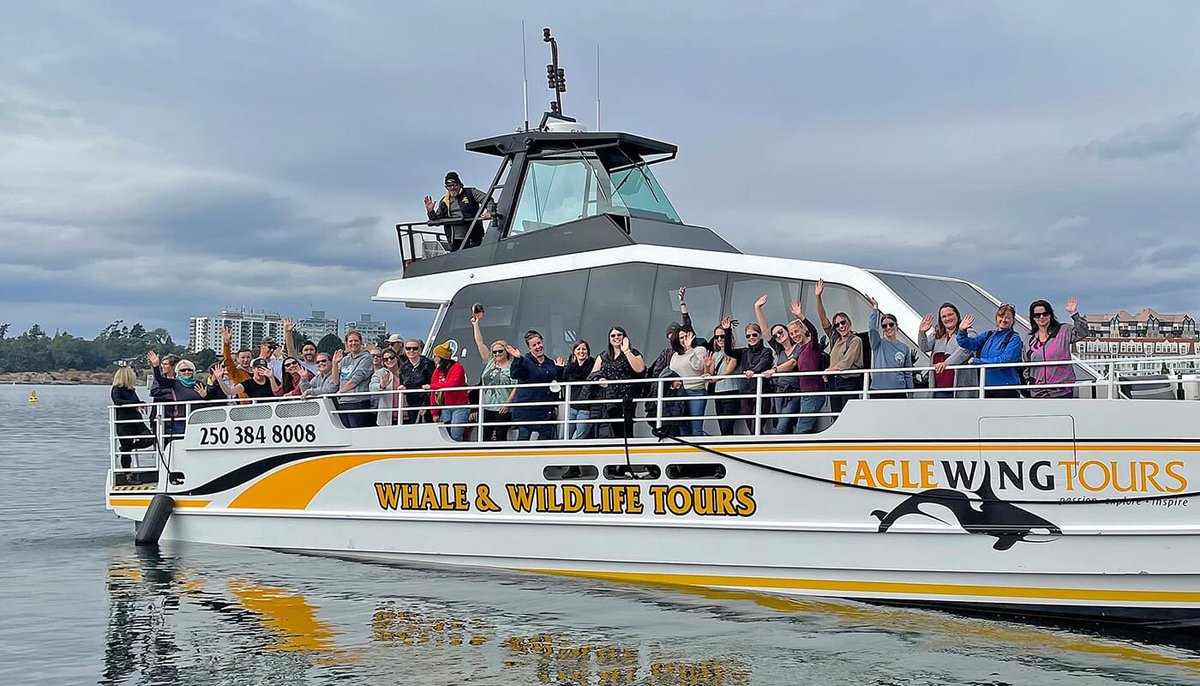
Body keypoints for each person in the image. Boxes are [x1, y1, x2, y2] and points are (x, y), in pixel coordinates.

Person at [815, 278, 865, 413]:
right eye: (837, 325)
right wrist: (818, 297)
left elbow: (846, 363)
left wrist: (828, 371)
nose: (840, 326)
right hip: (834, 382)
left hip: (848, 382)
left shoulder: (855, 340)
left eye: (843, 322)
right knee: (836, 414)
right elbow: (822, 318)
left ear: (848, 322)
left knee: (849, 416)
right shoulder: (835, 338)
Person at [957, 304, 1025, 397]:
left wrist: (978, 361)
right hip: (986, 387)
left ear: (1013, 320)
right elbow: (967, 344)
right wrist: (962, 331)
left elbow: (1005, 360)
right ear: (996, 317)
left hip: (1006, 388)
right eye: (1001, 316)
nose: (1004, 320)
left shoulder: (1014, 338)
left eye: (1008, 317)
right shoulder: (988, 335)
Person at [755, 295, 801, 433]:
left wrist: (774, 370)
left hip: (793, 392)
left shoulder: (799, 347)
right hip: (779, 392)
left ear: (787, 331)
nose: (778, 335)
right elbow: (764, 331)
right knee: (783, 427)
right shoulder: (779, 349)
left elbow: (793, 363)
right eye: (776, 335)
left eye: (780, 332)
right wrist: (757, 308)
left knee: (782, 426)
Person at [1027, 298, 1089, 398]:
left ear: (1050, 315)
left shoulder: (1063, 330)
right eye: (1037, 315)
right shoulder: (1029, 339)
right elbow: (1026, 363)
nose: (1041, 317)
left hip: (1062, 391)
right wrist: (1029, 381)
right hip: (1038, 393)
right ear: (1033, 318)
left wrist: (1074, 314)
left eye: (1045, 314)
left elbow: (1083, 332)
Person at [591, 326, 647, 438]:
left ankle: (628, 453)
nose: (616, 337)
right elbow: (592, 374)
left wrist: (626, 351)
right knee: (611, 428)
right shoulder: (603, 356)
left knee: (626, 429)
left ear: (624, 337)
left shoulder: (633, 352)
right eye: (613, 335)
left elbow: (640, 368)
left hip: (626, 397)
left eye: (619, 335)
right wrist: (599, 379)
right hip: (609, 398)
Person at [506, 330, 561, 440]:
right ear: (529, 348)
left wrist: (560, 369)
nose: (538, 347)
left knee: (545, 443)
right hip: (526, 411)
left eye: (539, 343)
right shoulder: (524, 361)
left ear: (543, 342)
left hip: (545, 412)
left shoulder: (550, 363)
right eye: (534, 345)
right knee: (523, 442)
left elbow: (554, 383)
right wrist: (517, 359)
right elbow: (515, 374)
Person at [470, 312, 516, 441]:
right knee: (484, 436)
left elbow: (516, 386)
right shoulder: (490, 362)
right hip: (487, 406)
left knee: (501, 436)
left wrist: (508, 403)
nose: (497, 354)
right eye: (494, 352)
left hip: (503, 406)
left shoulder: (512, 365)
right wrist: (476, 325)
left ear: (506, 351)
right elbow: (480, 343)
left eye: (500, 351)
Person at [424, 171, 495, 251]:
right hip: (455, 241)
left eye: (454, 185)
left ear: (460, 184)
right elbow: (436, 220)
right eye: (449, 186)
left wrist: (489, 211)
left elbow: (488, 199)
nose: (452, 188)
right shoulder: (444, 201)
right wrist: (430, 211)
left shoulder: (471, 192)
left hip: (474, 238)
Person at [723, 322, 774, 433]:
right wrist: (727, 331)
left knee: (758, 425)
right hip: (746, 391)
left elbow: (764, 363)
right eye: (748, 336)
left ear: (760, 335)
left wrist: (753, 371)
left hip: (763, 391)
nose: (751, 338)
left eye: (754, 335)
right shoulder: (744, 352)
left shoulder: (767, 351)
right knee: (751, 425)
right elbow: (728, 351)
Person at [918, 303, 978, 398]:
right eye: (944, 316)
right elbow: (924, 348)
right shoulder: (937, 334)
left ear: (957, 315)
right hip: (938, 389)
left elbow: (963, 351)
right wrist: (922, 333)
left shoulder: (969, 333)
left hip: (960, 389)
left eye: (950, 315)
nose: (947, 318)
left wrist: (946, 363)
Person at [147, 351, 208, 440]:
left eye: (189, 369)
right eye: (183, 370)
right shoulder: (175, 383)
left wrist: (205, 396)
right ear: (178, 371)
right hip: (179, 420)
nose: (187, 372)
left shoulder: (199, 384)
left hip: (197, 420)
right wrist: (156, 366)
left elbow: (210, 397)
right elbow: (160, 379)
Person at [786, 301, 826, 433]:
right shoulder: (800, 350)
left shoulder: (812, 346)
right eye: (791, 334)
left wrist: (800, 316)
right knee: (809, 431)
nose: (794, 335)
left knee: (801, 430)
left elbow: (814, 332)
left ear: (803, 330)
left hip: (813, 394)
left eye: (796, 331)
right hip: (805, 394)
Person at [865, 296, 914, 398]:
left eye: (891, 324)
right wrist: (875, 308)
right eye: (884, 326)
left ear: (896, 326)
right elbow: (872, 329)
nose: (888, 328)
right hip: (878, 390)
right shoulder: (877, 344)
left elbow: (907, 372)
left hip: (899, 390)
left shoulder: (904, 348)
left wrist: (910, 392)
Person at [708, 317, 747, 435]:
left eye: (722, 336)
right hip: (719, 393)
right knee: (722, 427)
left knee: (726, 426)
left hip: (731, 392)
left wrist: (716, 378)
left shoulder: (735, 352)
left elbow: (731, 368)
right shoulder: (715, 354)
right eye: (717, 337)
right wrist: (707, 366)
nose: (719, 339)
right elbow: (711, 374)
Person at [669, 325, 710, 436]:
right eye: (681, 338)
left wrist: (690, 350)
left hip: (696, 391)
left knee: (696, 428)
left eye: (686, 336)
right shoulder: (675, 356)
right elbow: (672, 372)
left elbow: (699, 367)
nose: (684, 340)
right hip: (680, 394)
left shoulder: (699, 350)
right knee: (683, 428)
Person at [111, 366, 155, 469]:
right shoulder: (116, 389)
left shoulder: (131, 390)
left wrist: (140, 403)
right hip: (124, 423)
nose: (135, 375)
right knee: (126, 453)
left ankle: (128, 447)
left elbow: (136, 401)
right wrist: (135, 404)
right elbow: (117, 401)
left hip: (136, 421)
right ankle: (128, 474)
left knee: (149, 439)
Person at [425, 341, 471, 441]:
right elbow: (433, 392)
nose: (433, 358)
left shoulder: (457, 368)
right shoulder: (438, 371)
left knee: (455, 435)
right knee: (447, 436)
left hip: (460, 407)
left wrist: (432, 386)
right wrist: (435, 413)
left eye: (436, 356)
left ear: (442, 358)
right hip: (445, 407)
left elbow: (452, 383)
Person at [334, 331, 375, 427]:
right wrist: (335, 364)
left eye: (356, 340)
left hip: (358, 401)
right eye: (350, 341)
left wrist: (341, 392)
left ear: (361, 342)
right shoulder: (345, 359)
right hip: (344, 401)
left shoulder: (366, 358)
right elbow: (336, 381)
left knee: (356, 432)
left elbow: (356, 379)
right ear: (346, 343)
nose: (353, 343)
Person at [558, 340, 595, 440]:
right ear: (574, 352)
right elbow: (562, 381)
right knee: (564, 436)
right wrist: (560, 369)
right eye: (578, 349)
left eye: (584, 349)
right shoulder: (570, 366)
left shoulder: (593, 365)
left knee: (581, 436)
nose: (581, 351)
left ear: (588, 351)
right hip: (572, 406)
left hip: (586, 407)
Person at [399, 338, 435, 424]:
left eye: (415, 348)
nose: (411, 350)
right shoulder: (404, 367)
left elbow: (431, 385)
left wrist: (425, 405)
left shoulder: (428, 364)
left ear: (419, 350)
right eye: (408, 348)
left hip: (426, 402)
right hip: (411, 403)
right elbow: (403, 384)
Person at [212, 358, 277, 399]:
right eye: (258, 368)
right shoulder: (248, 383)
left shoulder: (272, 379)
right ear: (253, 369)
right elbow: (230, 391)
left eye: (263, 368)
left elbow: (278, 393)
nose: (260, 371)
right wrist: (219, 379)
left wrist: (271, 378)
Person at [370, 349, 405, 426]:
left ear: (396, 358)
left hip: (406, 414)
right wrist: (381, 385)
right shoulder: (380, 373)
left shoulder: (405, 370)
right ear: (383, 362)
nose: (389, 360)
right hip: (387, 417)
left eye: (391, 357)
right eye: (386, 359)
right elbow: (372, 387)